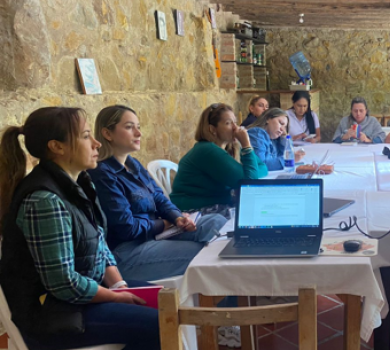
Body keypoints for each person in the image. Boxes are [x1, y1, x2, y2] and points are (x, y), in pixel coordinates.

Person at [0, 107, 160, 349]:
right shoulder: (44, 200)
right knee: (161, 322)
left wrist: (118, 285)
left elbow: (98, 242)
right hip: (53, 315)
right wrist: (115, 298)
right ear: (57, 147)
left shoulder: (79, 183)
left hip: (82, 297)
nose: (96, 143)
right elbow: (64, 283)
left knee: (167, 301)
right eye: (86, 136)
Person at [88, 105, 227, 281]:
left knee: (217, 222)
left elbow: (159, 198)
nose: (138, 133)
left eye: (138, 127)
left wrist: (177, 218)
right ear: (107, 134)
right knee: (203, 253)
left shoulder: (132, 164)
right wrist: (166, 223)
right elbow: (126, 227)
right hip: (128, 251)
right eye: (130, 127)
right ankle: (223, 300)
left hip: (155, 235)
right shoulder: (102, 174)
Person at [171, 103, 268, 211]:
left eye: (235, 122)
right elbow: (249, 185)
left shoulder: (229, 148)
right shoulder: (207, 150)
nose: (235, 128)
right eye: (228, 123)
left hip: (217, 206)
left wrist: (248, 172)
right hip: (193, 213)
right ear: (212, 129)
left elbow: (262, 167)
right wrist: (246, 144)